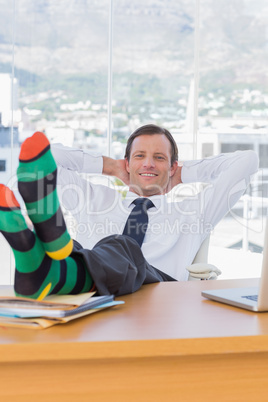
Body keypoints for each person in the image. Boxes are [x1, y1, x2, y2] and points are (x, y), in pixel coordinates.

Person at [0, 125, 259, 299]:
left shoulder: (193, 211)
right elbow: (49, 156)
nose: (148, 163)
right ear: (127, 164)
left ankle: (42, 258)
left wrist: (181, 174)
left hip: (157, 293)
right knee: (81, 249)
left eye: (159, 157)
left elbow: (247, 162)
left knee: (121, 247)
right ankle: (46, 266)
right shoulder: (95, 198)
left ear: (172, 166)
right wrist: (110, 167)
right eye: (139, 156)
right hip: (95, 297)